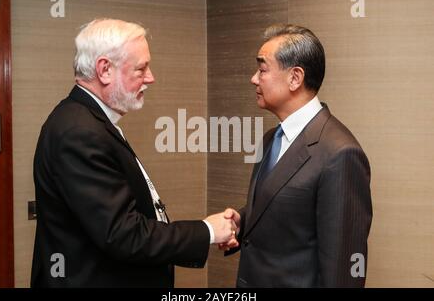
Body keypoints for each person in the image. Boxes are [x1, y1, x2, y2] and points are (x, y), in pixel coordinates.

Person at [31, 18, 238, 287]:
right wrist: (208, 231)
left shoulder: (91, 120)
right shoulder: (80, 131)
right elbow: (122, 234)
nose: (150, 78)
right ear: (105, 70)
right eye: (141, 69)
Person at [222, 24, 373, 287]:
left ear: (295, 78)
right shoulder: (272, 137)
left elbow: (343, 271)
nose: (254, 79)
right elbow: (287, 207)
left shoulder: (340, 154)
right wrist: (243, 219)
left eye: (262, 69)